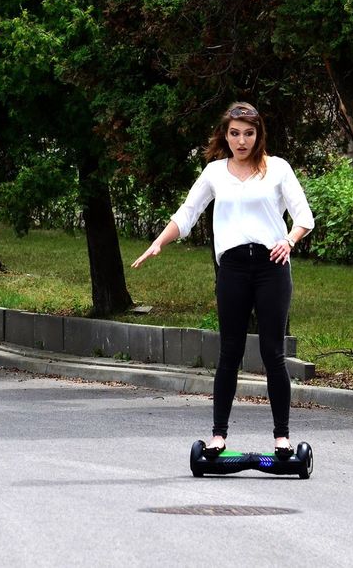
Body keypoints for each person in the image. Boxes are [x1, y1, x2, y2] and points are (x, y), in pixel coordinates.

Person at [131, 102, 314, 459]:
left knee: (271, 352)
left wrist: (289, 240)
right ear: (225, 135)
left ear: (258, 134)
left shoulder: (277, 169)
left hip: (271, 267)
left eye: (248, 133)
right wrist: (158, 242)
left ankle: (282, 439)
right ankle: (218, 436)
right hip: (231, 269)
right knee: (229, 351)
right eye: (235, 133)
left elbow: (304, 215)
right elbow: (188, 213)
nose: (241, 141)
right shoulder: (215, 172)